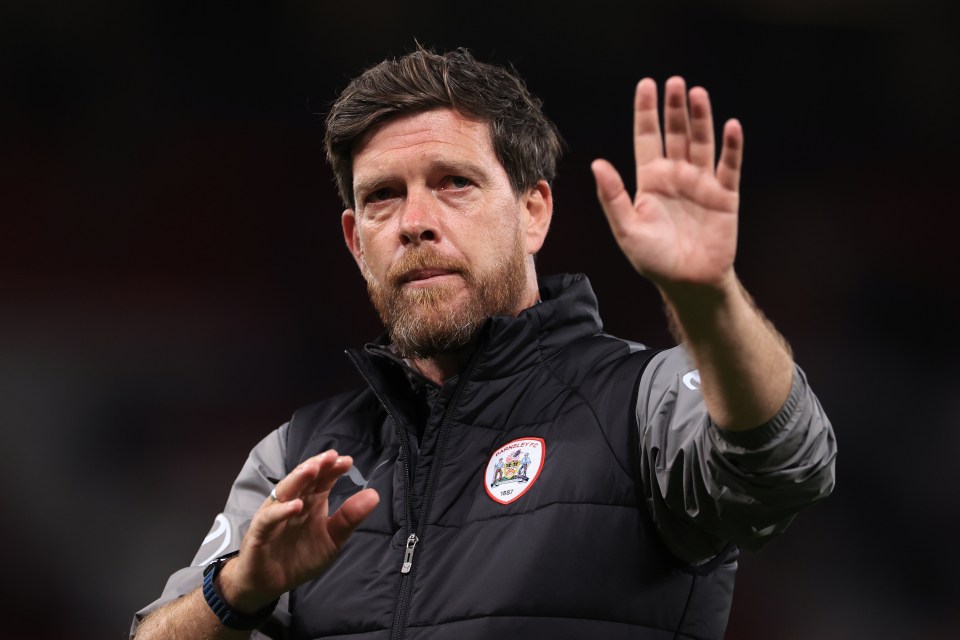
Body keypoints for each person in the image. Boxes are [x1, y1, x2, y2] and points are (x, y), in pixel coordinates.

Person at [131, 46, 836, 640]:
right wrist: (240, 587)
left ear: (533, 213)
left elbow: (786, 464)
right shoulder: (301, 454)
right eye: (382, 196)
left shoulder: (637, 403)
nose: (414, 222)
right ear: (354, 241)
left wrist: (707, 300)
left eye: (454, 183)